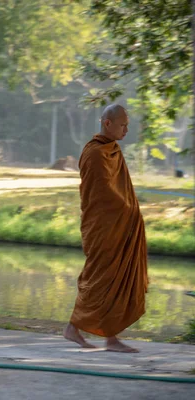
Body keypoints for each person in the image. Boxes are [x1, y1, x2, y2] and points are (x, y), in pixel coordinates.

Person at [64, 104, 148, 353]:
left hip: (119, 225)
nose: (126, 129)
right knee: (99, 278)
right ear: (107, 123)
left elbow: (122, 189)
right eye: (123, 124)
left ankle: (110, 337)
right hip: (102, 227)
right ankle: (72, 327)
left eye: (127, 124)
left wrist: (131, 211)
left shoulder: (114, 150)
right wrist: (128, 210)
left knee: (115, 280)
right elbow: (102, 194)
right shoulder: (94, 153)